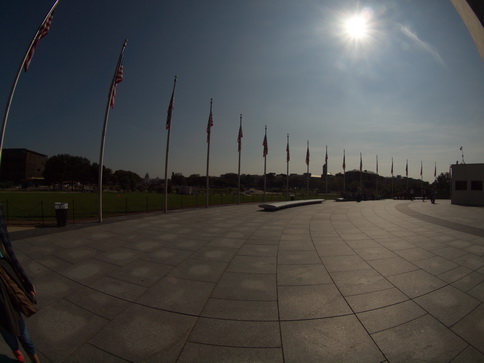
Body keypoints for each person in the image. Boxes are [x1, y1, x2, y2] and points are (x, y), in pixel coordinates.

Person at [0, 206, 40, 363]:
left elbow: (10, 252)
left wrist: (26, 281)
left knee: (21, 330)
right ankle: (15, 350)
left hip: (5, 276)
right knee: (4, 326)